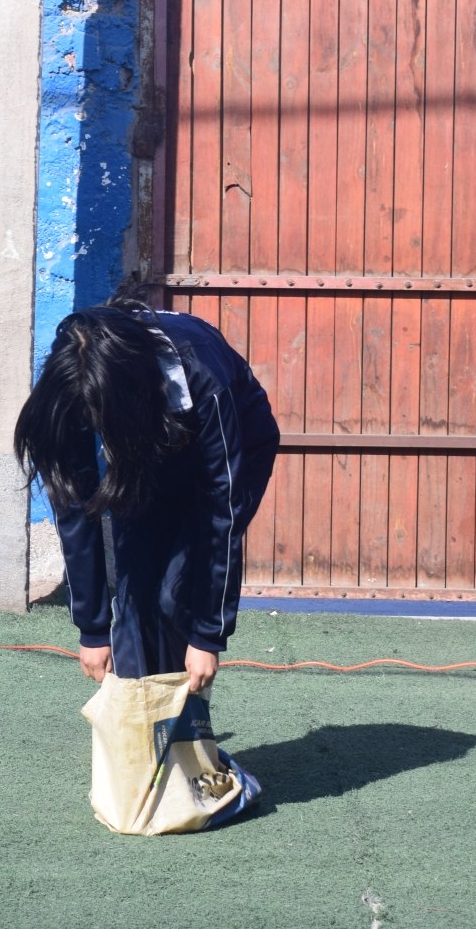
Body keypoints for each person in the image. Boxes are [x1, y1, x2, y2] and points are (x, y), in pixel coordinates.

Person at [14, 295, 280, 693]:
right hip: (143, 450)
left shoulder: (203, 376)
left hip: (233, 444)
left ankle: (183, 715)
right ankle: (141, 717)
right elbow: (74, 506)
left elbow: (220, 514)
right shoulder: (71, 376)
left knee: (175, 593)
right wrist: (92, 630)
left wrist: (207, 636)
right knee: (136, 593)